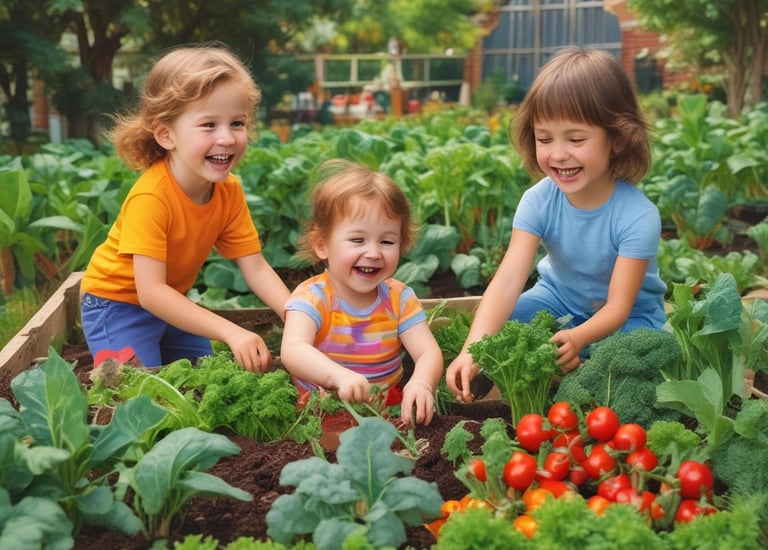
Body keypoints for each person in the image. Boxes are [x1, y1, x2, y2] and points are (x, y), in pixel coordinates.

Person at [446, 47, 667, 402]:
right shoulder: (538, 200)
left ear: (618, 138)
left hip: (628, 316)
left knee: (630, 357)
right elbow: (506, 282)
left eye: (576, 139)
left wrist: (579, 337)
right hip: (558, 298)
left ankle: (576, 369)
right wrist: (473, 349)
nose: (558, 154)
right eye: (544, 139)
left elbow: (618, 307)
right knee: (503, 324)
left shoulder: (637, 216)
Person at [80, 43, 291, 373]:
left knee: (206, 377)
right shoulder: (151, 197)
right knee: (138, 391)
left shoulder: (228, 190)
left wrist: (295, 314)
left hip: (171, 301)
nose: (227, 138)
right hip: (116, 304)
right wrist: (231, 331)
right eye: (209, 125)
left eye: (237, 123)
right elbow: (150, 293)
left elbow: (256, 267)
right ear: (166, 134)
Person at [280, 159, 443, 426]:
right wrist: (337, 377)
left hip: (384, 411)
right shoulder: (313, 297)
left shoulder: (399, 298)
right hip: (320, 413)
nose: (373, 253)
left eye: (387, 241)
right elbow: (293, 349)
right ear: (322, 244)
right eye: (357, 240)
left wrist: (422, 382)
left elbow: (427, 352)